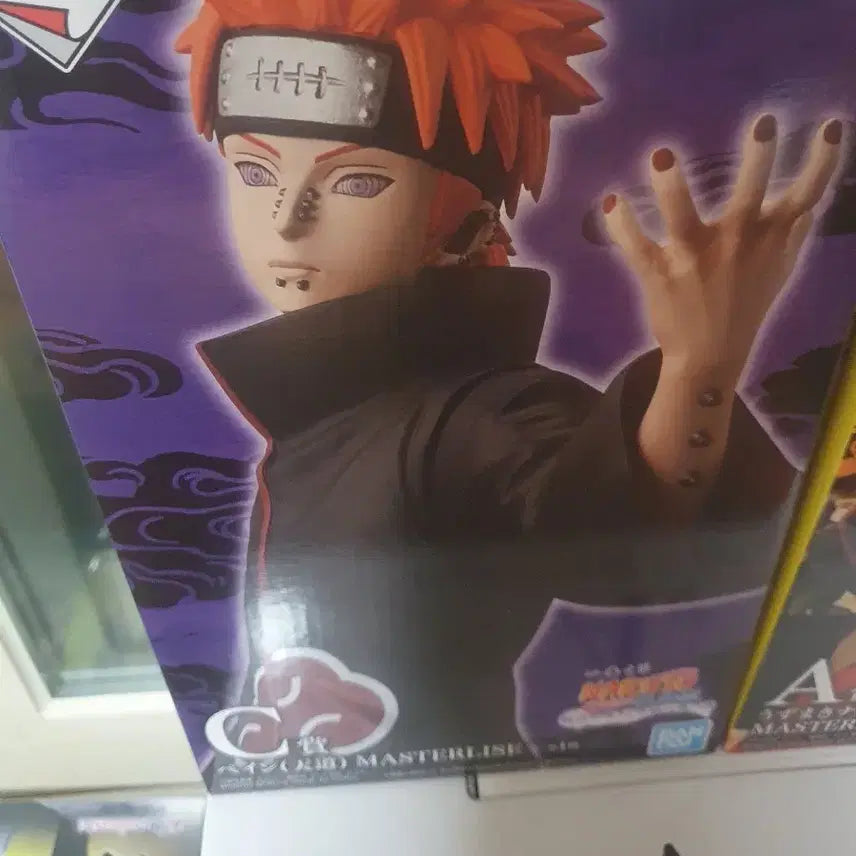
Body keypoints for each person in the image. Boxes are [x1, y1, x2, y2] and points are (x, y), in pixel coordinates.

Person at [176, 0, 844, 761]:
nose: (288, 219)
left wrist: (702, 367)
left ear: (467, 221)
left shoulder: (479, 413)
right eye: (254, 171)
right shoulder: (328, 408)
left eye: (357, 182)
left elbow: (613, 532)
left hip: (462, 792)